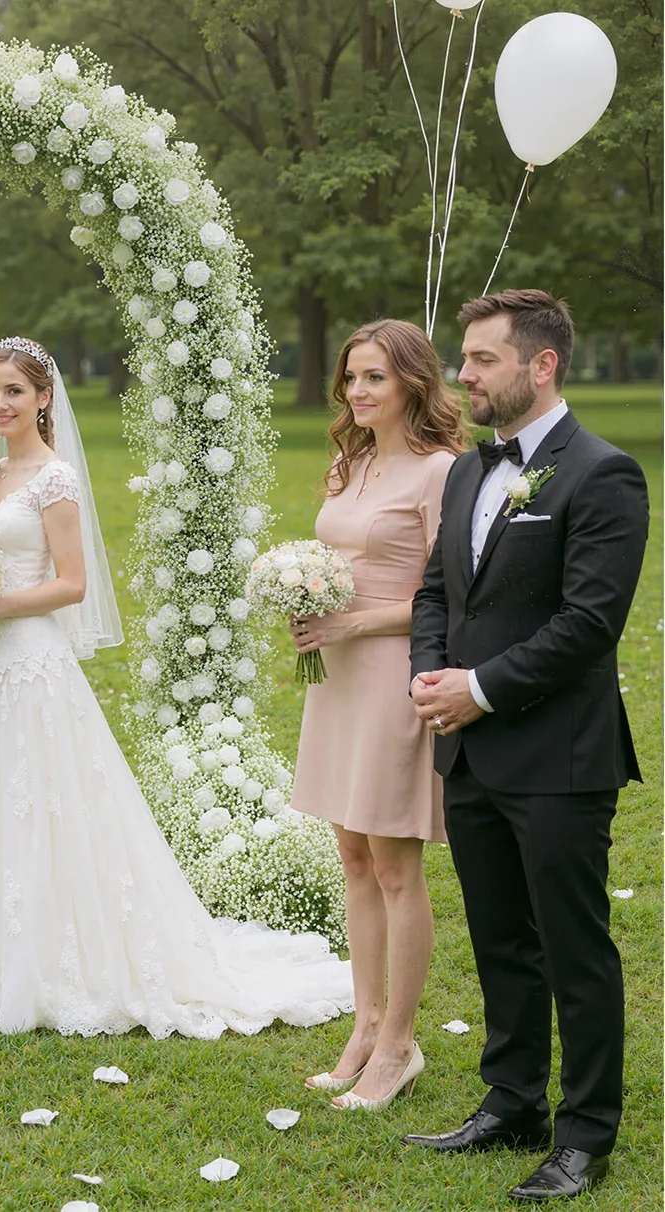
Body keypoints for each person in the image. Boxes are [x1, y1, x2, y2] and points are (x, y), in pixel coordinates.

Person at [0, 338, 354, 1038]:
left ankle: (65, 957)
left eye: (15, 391)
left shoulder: (54, 478)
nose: (0, 404)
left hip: (31, 658)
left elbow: (72, 584)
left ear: (44, 397)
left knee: (46, 803)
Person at [405, 290, 648, 1202]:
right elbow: (438, 591)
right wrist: (430, 675)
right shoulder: (468, 472)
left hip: (558, 758)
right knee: (501, 939)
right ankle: (512, 1102)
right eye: (464, 357)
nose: (462, 374)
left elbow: (589, 623)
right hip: (468, 752)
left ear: (541, 365)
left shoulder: (604, 474)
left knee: (573, 948)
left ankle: (586, 1133)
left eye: (481, 359)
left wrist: (478, 689)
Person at [287, 320, 464, 1110]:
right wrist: (305, 596)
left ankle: (399, 1043)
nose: (357, 391)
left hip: (393, 672)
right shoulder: (349, 462)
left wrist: (353, 624)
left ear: (412, 384)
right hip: (336, 678)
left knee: (395, 864)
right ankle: (364, 1027)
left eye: (375, 378)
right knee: (353, 855)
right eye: (352, 377)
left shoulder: (440, 472)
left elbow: (448, 593)